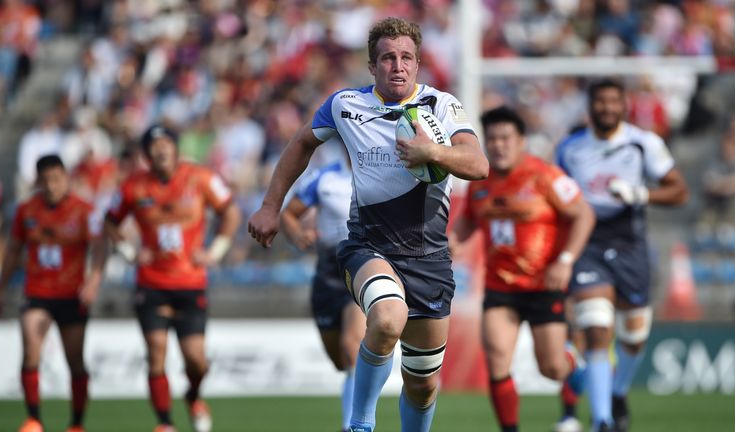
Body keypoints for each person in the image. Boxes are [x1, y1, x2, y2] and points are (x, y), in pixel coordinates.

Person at [248, 17, 490, 432]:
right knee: (387, 317)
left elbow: (478, 164)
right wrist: (272, 206)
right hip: (368, 248)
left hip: (429, 257)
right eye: (388, 58)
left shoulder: (443, 106)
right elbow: (301, 144)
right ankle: (359, 423)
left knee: (423, 385)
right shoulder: (345, 105)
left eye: (406, 58)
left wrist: (432, 153)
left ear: (417, 64)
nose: (397, 65)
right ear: (372, 65)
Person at [555, 78, 688, 432]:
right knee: (596, 328)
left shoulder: (644, 144)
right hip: (589, 244)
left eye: (614, 101)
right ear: (591, 106)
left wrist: (640, 194)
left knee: (634, 336)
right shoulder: (569, 149)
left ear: (624, 105)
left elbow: (679, 191)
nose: (607, 108)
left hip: (631, 245)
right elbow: (557, 200)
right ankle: (602, 420)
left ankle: (618, 391)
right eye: (601, 102)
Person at [451, 106, 593, 432]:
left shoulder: (545, 175)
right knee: (497, 360)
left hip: (544, 285)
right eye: (493, 139)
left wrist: (566, 261)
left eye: (506, 138)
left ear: (521, 141)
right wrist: (454, 243)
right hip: (500, 287)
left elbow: (583, 215)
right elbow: (468, 223)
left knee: (553, 369)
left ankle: (572, 360)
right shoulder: (479, 183)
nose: (499, 145)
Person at [104, 125, 241, 432]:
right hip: (151, 282)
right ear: (145, 154)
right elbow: (110, 221)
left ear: (176, 149)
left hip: (190, 282)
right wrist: (129, 252)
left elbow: (230, 212)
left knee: (197, 362)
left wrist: (215, 252)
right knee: (156, 352)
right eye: (154, 146)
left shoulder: (201, 178)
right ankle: (165, 423)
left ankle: (193, 395)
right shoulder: (133, 187)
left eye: (167, 144)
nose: (161, 150)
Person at [0, 154, 107, 432]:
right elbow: (13, 250)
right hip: (38, 292)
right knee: (30, 348)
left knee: (75, 361)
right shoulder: (26, 211)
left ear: (66, 178)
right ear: (38, 182)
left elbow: (100, 246)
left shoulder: (84, 210)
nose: (52, 185)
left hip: (71, 295)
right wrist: (1, 287)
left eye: (56, 179)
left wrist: (93, 281)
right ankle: (34, 420)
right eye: (46, 180)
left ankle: (76, 424)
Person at [281, 151, 364, 432]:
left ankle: (351, 426)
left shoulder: (384, 172)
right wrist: (298, 235)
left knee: (352, 347)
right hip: (328, 274)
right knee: (340, 361)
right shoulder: (324, 178)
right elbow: (289, 215)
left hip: (364, 269)